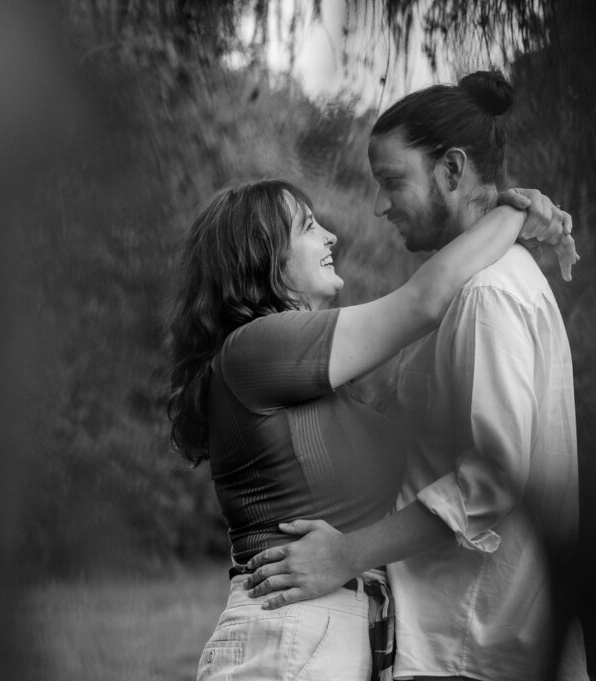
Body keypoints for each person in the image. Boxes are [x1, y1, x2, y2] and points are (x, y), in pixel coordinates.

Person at [242, 71, 587, 681]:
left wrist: (346, 553)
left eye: (392, 181)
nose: (381, 205)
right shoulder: (479, 288)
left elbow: (491, 480)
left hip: (473, 649)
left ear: (452, 171)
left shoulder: (487, 296)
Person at [166, 175, 571, 679]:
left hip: (331, 635)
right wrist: (517, 211)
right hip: (288, 632)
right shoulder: (255, 348)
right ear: (262, 255)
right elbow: (421, 301)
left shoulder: (316, 392)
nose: (331, 236)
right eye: (309, 227)